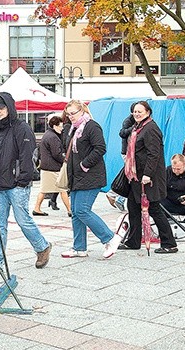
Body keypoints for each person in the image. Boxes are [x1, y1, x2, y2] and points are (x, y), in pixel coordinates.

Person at [0, 92, 52, 273]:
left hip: (17, 184)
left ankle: (42, 246)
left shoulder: (21, 128)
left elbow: (28, 156)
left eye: (1, 108)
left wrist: (23, 179)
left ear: (9, 107)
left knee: (23, 219)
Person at [60, 100, 122, 259]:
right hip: (76, 177)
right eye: (68, 114)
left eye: (73, 113)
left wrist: (84, 164)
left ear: (82, 111)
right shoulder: (73, 129)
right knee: (75, 212)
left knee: (82, 210)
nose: (71, 117)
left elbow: (100, 148)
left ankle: (110, 238)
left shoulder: (91, 126)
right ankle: (79, 247)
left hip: (90, 176)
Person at [120, 101, 178, 254]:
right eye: (135, 111)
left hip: (147, 178)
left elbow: (154, 154)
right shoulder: (137, 127)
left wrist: (147, 174)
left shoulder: (151, 129)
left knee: (154, 209)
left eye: (140, 111)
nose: (137, 114)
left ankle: (169, 243)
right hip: (136, 176)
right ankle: (133, 241)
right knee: (132, 207)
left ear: (148, 112)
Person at [32, 115, 71, 217]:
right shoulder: (53, 137)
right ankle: (70, 210)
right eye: (60, 126)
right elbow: (56, 154)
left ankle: (37, 208)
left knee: (44, 190)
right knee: (63, 189)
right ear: (54, 126)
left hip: (46, 167)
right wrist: (65, 161)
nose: (62, 129)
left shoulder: (47, 134)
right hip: (53, 168)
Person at [107, 102, 136, 212]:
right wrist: (133, 128)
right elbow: (122, 133)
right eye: (136, 111)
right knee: (129, 175)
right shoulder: (128, 121)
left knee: (128, 174)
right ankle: (116, 195)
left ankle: (116, 195)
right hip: (128, 152)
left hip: (133, 153)